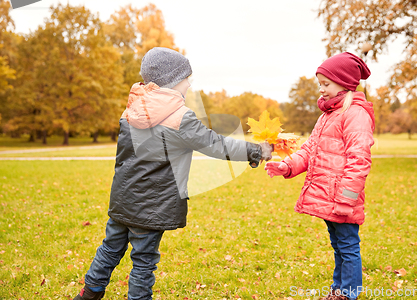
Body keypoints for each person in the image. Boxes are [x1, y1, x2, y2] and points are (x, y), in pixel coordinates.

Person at [73, 47, 272, 300]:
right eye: (186, 78)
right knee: (143, 262)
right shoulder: (180, 118)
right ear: (174, 81)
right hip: (151, 208)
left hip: (123, 201)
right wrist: (256, 150)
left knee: (110, 248)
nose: (189, 84)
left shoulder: (131, 110)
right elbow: (217, 145)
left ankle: (88, 294)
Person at [265, 52, 374, 300]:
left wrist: (347, 199)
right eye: (320, 84)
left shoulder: (355, 114)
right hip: (329, 196)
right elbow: (309, 150)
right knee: (338, 245)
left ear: (344, 83)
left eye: (326, 84)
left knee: (347, 246)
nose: (321, 90)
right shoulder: (328, 115)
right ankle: (339, 290)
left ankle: (348, 294)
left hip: (342, 197)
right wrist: (287, 166)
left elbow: (359, 160)